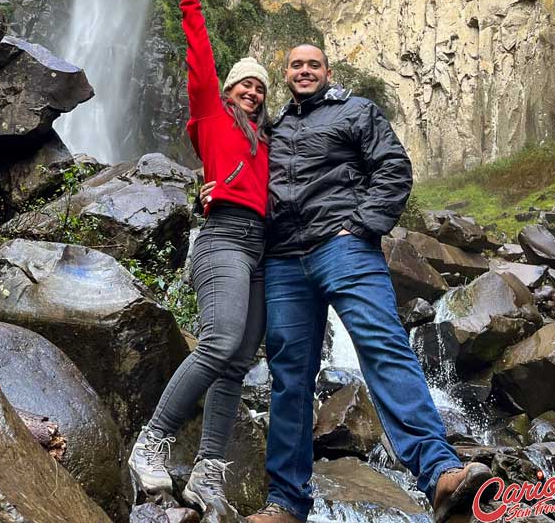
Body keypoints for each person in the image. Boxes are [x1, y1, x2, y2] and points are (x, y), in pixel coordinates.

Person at [202, 44, 492, 523]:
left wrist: (361, 224)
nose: (304, 70)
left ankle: (440, 472)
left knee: (383, 347)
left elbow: (393, 167)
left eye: (313, 64)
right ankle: (286, 503)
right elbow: (237, 167)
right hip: (282, 260)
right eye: (296, 64)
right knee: (290, 377)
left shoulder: (356, 110)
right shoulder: (268, 129)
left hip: (344, 248)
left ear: (327, 72)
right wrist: (211, 189)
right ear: (286, 74)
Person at [128, 0, 271, 513]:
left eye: (259, 87)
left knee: (237, 361)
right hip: (223, 240)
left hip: (260, 249)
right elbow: (202, 70)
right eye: (245, 84)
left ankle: (207, 473)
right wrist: (191, 5)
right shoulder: (211, 115)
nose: (252, 91)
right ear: (230, 90)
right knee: (218, 343)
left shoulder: (265, 142)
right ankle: (152, 442)